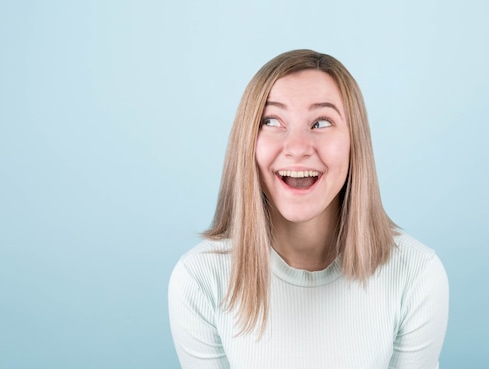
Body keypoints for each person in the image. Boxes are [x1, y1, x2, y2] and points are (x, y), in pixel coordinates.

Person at [168, 49, 449, 369]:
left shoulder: (417, 275)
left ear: (355, 143)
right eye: (272, 121)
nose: (298, 148)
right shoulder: (199, 280)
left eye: (321, 122)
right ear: (246, 142)